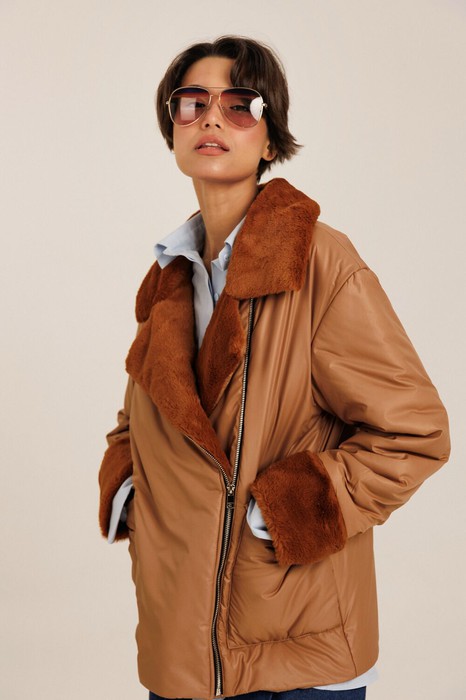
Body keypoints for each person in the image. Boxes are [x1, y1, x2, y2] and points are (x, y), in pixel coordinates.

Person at [98, 36, 451, 700]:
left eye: (240, 104)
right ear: (172, 128)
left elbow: (416, 431)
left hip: (300, 652)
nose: (211, 117)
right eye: (192, 103)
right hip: (182, 644)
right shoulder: (169, 275)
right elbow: (139, 423)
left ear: (269, 139)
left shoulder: (319, 261)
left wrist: (282, 512)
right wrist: (132, 496)